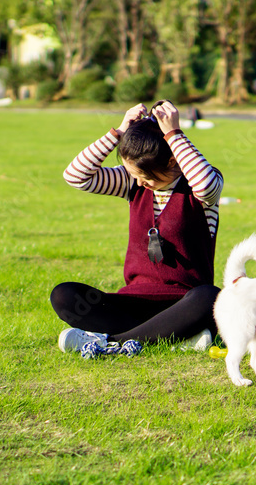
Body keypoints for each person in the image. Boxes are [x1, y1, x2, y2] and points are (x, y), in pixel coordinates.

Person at [51, 100, 223, 358]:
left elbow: (206, 184)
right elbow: (76, 176)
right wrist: (119, 132)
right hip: (133, 302)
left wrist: (174, 134)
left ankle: (112, 343)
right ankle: (169, 338)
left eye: (149, 177)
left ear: (174, 162)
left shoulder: (200, 190)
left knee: (211, 297)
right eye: (136, 175)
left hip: (185, 304)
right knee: (64, 295)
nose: (142, 182)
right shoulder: (133, 184)